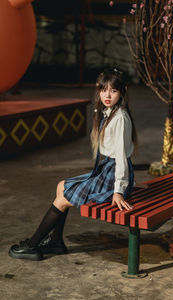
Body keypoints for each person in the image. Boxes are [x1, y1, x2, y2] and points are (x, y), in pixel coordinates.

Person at [8, 67, 138, 261]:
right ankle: (56, 242)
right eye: (103, 90)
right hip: (106, 170)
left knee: (62, 200)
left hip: (113, 177)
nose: (107, 95)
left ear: (122, 92)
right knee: (61, 185)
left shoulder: (119, 118)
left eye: (113, 90)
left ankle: (32, 245)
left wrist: (119, 190)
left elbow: (120, 157)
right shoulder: (109, 112)